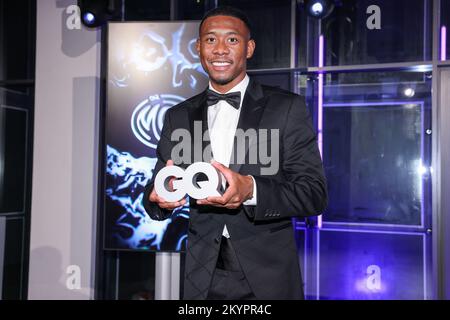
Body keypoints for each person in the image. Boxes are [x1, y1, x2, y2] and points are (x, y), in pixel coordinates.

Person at [143, 6, 327, 300]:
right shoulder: (177, 116)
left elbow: (313, 193)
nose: (219, 50)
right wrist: (159, 198)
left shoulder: (286, 108)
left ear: (249, 48)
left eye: (232, 40)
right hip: (201, 276)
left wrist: (250, 189)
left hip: (269, 277)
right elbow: (153, 192)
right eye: (211, 40)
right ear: (198, 47)